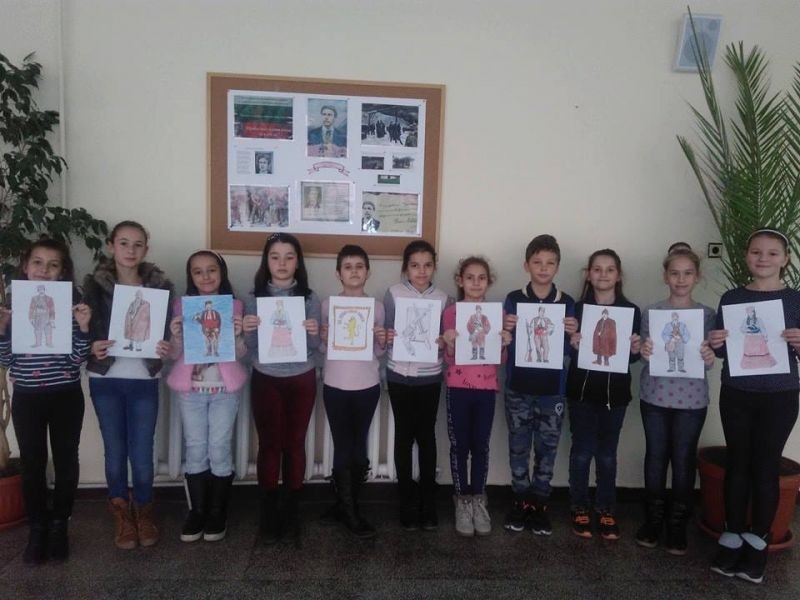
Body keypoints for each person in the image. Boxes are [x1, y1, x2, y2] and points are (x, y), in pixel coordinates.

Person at [708, 228, 800, 584]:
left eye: (772, 253)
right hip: (737, 393)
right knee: (737, 464)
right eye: (756, 252)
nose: (763, 258)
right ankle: (732, 536)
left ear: (785, 259)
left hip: (780, 396)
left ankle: (758, 541)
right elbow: (722, 351)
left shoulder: (795, 300)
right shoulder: (732, 298)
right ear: (746, 255)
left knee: (765, 467)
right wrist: (716, 342)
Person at [82, 221, 174, 550]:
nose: (130, 250)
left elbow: (167, 333)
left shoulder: (161, 287)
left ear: (146, 249)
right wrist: (91, 344)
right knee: (115, 449)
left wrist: (166, 346)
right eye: (123, 243)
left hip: (144, 378)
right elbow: (81, 331)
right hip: (105, 378)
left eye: (137, 244)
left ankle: (144, 510)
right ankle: (121, 512)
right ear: (111, 246)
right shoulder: (92, 286)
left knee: (142, 451)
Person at [0, 239, 91, 564]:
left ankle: (59, 525)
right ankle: (37, 527)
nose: (44, 270)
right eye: (38, 262)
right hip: (27, 397)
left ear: (62, 271)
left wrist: (82, 328)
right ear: (25, 266)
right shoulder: (13, 306)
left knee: (66, 461)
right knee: (32, 463)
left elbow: (77, 360)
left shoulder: (70, 305)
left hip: (65, 395)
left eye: (53, 265)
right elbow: (6, 360)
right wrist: (2, 331)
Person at [242, 233, 321, 543]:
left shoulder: (310, 298)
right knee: (269, 444)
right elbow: (250, 348)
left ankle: (291, 511)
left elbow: (314, 347)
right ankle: (268, 512)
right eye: (275, 257)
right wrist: (247, 330)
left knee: (295, 444)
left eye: (289, 257)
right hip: (266, 378)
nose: (282, 263)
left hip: (301, 377)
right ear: (267, 261)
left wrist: (313, 332)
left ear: (297, 262)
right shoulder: (254, 298)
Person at [637, 245, 716, 554]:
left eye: (687, 273)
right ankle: (653, 520)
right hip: (654, 395)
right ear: (665, 277)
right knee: (656, 457)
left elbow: (709, 360)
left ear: (697, 276)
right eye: (674, 273)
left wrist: (709, 356)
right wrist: (644, 351)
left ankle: (678, 523)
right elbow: (645, 356)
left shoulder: (707, 315)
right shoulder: (651, 313)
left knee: (683, 460)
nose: (681, 279)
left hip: (692, 400)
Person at [166, 251, 248, 543]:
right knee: (195, 447)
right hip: (191, 391)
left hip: (224, 389)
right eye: (198, 271)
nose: (206, 276)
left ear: (221, 273)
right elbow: (173, 355)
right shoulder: (181, 306)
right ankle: (197, 511)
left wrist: (237, 336)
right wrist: (176, 336)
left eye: (211, 270)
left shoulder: (235, 306)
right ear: (190, 277)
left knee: (219, 447)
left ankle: (217, 512)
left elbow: (241, 354)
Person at [501, 234, 577, 535]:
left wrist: (573, 334)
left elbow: (570, 348)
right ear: (527, 265)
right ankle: (520, 500)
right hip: (518, 386)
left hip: (552, 390)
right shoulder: (514, 299)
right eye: (537, 262)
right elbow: (504, 341)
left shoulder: (566, 302)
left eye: (550, 263)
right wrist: (505, 331)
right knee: (518, 446)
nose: (543, 268)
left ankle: (540, 503)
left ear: (557, 267)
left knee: (547, 447)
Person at [566, 249, 641, 540]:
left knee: (608, 455)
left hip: (616, 395)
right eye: (597, 269)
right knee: (581, 452)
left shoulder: (631, 311)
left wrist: (635, 349)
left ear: (618, 276)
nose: (603, 274)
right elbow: (568, 350)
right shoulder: (577, 309)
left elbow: (631, 358)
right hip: (582, 393)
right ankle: (579, 506)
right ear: (588, 274)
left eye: (610, 270)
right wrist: (572, 342)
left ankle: (606, 508)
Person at [319, 245, 386, 538]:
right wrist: (323, 337)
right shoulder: (327, 305)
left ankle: (349, 505)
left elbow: (379, 352)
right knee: (342, 446)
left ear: (368, 272)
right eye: (348, 267)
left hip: (367, 385)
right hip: (335, 385)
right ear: (338, 274)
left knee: (358, 446)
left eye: (359, 266)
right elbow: (322, 349)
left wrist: (382, 340)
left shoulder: (377, 307)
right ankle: (348, 510)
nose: (354, 271)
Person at [384, 241, 451, 530]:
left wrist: (442, 344)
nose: (421, 271)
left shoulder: (444, 298)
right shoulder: (393, 294)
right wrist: (387, 336)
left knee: (426, 437)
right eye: (415, 265)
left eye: (427, 265)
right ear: (406, 268)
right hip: (398, 376)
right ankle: (406, 501)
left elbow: (445, 341)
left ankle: (428, 502)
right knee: (403, 436)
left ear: (434, 267)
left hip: (429, 377)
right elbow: (386, 332)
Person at [442, 256, 511, 536]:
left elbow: (500, 360)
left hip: (486, 389)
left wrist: (504, 343)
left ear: (488, 281)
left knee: (480, 446)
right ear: (460, 281)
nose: (475, 283)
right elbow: (449, 358)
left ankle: (479, 499)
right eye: (469, 277)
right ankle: (462, 500)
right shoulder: (451, 313)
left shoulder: (498, 314)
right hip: (458, 388)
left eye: (481, 277)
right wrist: (449, 343)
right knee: (459, 446)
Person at [28, 284, 55, 348]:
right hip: (38, 317)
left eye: (42, 289)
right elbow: (31, 308)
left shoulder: (49, 298)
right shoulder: (34, 298)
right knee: (37, 331)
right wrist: (31, 318)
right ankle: (38, 344)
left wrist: (52, 319)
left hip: (47, 317)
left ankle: (49, 344)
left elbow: (52, 309)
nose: (41, 291)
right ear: (38, 290)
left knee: (48, 331)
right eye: (40, 290)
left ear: (44, 290)